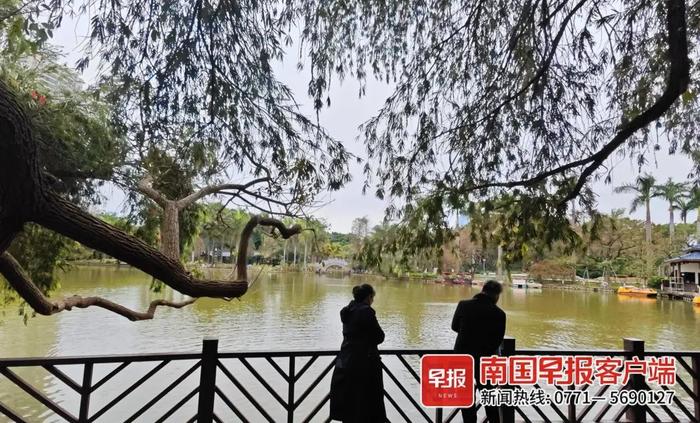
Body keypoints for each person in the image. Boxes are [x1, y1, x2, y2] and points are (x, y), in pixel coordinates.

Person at [329, 284, 386, 422]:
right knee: (366, 406)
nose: (373, 301)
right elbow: (379, 336)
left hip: (345, 362)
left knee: (349, 406)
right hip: (364, 365)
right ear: (368, 297)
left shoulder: (347, 311)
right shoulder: (366, 312)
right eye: (373, 297)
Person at [452, 280, 506, 423]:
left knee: (466, 397)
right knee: (489, 397)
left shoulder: (463, 305)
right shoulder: (499, 314)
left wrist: (468, 335)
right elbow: (497, 339)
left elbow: (454, 327)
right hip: (485, 361)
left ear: (483, 290)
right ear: (496, 296)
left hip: (463, 359)